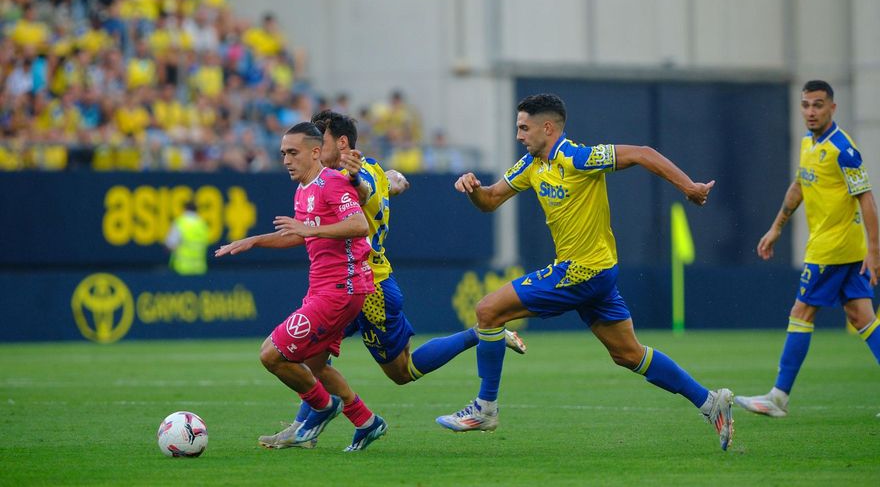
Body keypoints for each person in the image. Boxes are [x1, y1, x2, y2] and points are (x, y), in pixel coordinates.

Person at [435, 93, 735, 451]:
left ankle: (485, 408)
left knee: (487, 311)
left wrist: (689, 187)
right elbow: (490, 201)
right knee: (628, 354)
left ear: (547, 128)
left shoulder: (577, 157)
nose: (519, 135)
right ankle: (709, 402)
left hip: (583, 271)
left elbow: (643, 153)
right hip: (598, 273)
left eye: (523, 128)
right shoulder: (530, 165)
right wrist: (473, 189)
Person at [261, 110, 528, 444]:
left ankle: (481, 334)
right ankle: (312, 428)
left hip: (368, 287)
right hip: (343, 281)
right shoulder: (364, 169)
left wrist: (358, 181)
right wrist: (394, 180)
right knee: (312, 358)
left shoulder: (349, 178)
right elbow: (391, 181)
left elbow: (360, 193)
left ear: (341, 143)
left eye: (321, 139)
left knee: (403, 372)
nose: (312, 148)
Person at [214, 122, 387, 452]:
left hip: (341, 289)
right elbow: (297, 234)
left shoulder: (332, 182)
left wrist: (312, 228)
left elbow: (358, 225)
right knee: (316, 366)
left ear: (316, 152)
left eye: (293, 153)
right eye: (282, 154)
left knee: (271, 355)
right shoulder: (303, 189)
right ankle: (366, 422)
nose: (286, 160)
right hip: (324, 287)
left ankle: (320, 411)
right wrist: (254, 241)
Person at [735, 80, 880, 418]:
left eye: (818, 105)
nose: (811, 112)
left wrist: (875, 251)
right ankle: (778, 397)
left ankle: (778, 397)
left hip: (832, 249)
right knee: (862, 317)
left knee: (801, 313)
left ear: (833, 107)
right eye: (806, 105)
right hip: (841, 249)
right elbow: (800, 186)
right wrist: (776, 228)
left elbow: (867, 199)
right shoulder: (808, 144)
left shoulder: (843, 149)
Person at [165, 201, 210, 275]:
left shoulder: (180, 223)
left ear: (185, 209)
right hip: (199, 268)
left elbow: (170, 244)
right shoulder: (202, 224)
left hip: (182, 268)